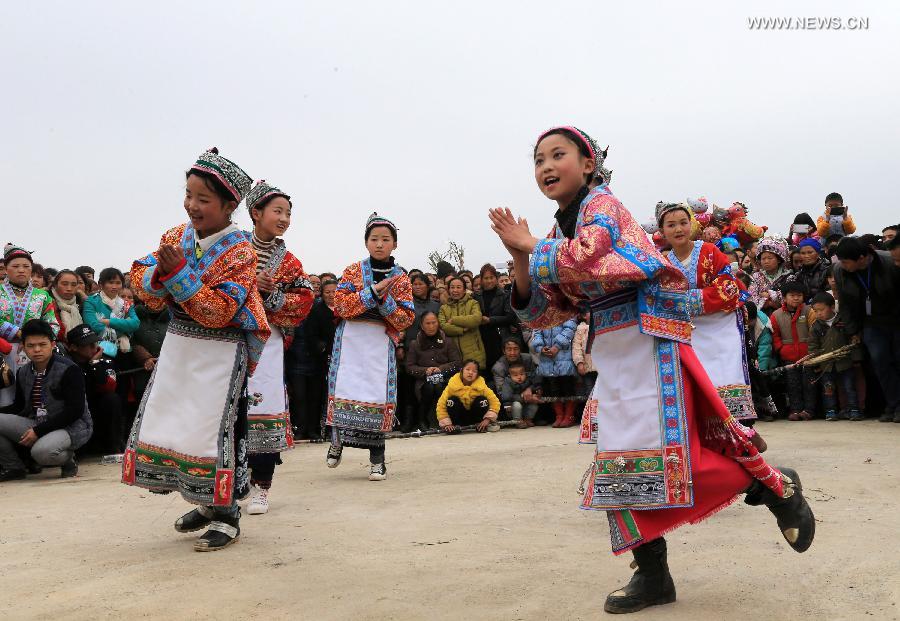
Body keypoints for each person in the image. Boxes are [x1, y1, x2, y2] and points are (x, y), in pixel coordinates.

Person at [490, 125, 813, 614]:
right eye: (538, 160)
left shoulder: (603, 207)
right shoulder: (558, 230)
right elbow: (545, 311)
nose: (546, 166)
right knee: (618, 465)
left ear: (589, 163)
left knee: (671, 457)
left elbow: (590, 260)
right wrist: (520, 257)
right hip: (614, 350)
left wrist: (532, 245)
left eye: (558, 155)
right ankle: (654, 574)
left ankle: (772, 485)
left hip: (648, 342)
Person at [124, 147, 270, 552]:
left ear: (228, 206)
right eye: (188, 195)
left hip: (222, 351)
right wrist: (160, 274)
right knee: (182, 424)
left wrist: (179, 276)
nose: (191, 205)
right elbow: (144, 288)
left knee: (215, 429)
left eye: (203, 199)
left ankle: (228, 513)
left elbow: (219, 311)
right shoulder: (175, 237)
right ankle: (206, 502)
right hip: (181, 345)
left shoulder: (240, 252)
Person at [242, 180, 315, 515]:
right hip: (227, 342)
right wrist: (248, 285)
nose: (285, 218)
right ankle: (230, 481)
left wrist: (270, 296)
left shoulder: (290, 263)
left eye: (288, 213)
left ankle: (262, 485)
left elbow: (303, 302)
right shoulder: (232, 250)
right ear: (256, 213)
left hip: (267, 345)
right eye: (278, 211)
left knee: (264, 408)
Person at [324, 213, 414, 481]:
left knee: (377, 398)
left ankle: (378, 460)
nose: (379, 244)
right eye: (374, 239)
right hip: (351, 340)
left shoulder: (401, 278)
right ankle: (337, 441)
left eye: (386, 239)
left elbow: (406, 317)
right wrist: (372, 293)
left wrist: (385, 303)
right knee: (344, 391)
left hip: (378, 342)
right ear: (366, 242)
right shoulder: (353, 271)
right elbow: (340, 305)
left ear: (394, 244)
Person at [659, 202, 759, 425]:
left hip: (720, 324)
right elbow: (660, 298)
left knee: (727, 371)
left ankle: (740, 429)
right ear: (662, 230)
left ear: (692, 225)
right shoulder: (664, 264)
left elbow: (727, 287)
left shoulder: (709, 251)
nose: (678, 229)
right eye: (671, 225)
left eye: (683, 223)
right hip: (688, 331)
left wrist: (685, 300)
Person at [0, 320, 92, 481]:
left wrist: (38, 431)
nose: (37, 350)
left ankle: (68, 459)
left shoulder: (69, 369)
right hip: (38, 422)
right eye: (31, 345)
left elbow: (75, 410)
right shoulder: (23, 372)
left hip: (71, 426)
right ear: (23, 346)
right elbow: (19, 407)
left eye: (42, 344)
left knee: (41, 453)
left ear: (52, 344)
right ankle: (13, 467)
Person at [833, 236, 900, 423]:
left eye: (846, 262)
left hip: (896, 320)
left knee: (898, 360)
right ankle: (893, 404)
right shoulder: (840, 271)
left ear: (862, 257)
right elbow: (845, 304)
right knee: (880, 363)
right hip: (871, 323)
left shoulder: (889, 262)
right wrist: (852, 330)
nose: (843, 265)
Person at [0, 244, 60, 408]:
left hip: (33, 351)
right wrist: (18, 332)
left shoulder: (42, 295)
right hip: (2, 350)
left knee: (32, 398)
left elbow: (53, 323)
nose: (21, 270)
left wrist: (39, 340)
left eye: (26, 266)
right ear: (6, 268)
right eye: (16, 266)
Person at [287, 278, 336, 440]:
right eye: (327, 292)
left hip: (317, 361)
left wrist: (323, 349)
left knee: (316, 397)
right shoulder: (291, 308)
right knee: (300, 397)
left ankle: (314, 429)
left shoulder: (317, 308)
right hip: (297, 359)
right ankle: (301, 429)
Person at [65, 324, 123, 453]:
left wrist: (93, 364)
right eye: (87, 343)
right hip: (75, 414)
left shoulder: (104, 361)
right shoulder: (65, 364)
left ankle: (113, 447)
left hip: (97, 413)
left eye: (94, 342)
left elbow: (109, 387)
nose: (94, 347)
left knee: (111, 399)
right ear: (73, 347)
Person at [396, 273, 440, 432]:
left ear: (427, 286)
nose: (417, 287)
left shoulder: (436, 305)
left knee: (426, 386)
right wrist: (400, 346)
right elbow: (400, 326)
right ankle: (408, 421)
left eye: (421, 284)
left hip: (430, 351)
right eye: (414, 284)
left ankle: (425, 420)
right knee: (408, 387)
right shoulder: (406, 304)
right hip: (409, 349)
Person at [808, 292, 862, 421]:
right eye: (816, 311)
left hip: (845, 362)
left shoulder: (843, 321)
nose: (819, 313)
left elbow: (853, 341)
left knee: (849, 387)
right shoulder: (816, 326)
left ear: (832, 307)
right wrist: (815, 363)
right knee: (828, 389)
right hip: (826, 364)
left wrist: (856, 359)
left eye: (821, 310)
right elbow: (813, 346)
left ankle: (854, 409)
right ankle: (830, 411)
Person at [405, 311, 462, 430]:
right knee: (430, 386)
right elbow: (409, 367)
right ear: (421, 325)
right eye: (427, 323)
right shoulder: (415, 344)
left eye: (433, 323)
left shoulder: (447, 341)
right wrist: (426, 370)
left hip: (446, 378)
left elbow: (457, 363)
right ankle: (422, 419)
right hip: (424, 381)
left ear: (438, 323)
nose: (431, 326)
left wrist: (440, 369)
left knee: (439, 385)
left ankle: (446, 419)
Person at [771, 281, 817, 421]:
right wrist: (781, 349)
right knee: (792, 384)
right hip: (788, 356)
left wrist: (812, 350)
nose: (796, 298)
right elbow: (774, 335)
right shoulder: (776, 314)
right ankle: (795, 410)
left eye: (799, 295)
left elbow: (814, 331)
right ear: (784, 297)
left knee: (809, 384)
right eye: (792, 295)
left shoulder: (809, 311)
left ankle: (809, 410)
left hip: (808, 355)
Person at [82, 267, 140, 360]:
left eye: (118, 283)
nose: (114, 286)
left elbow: (135, 324)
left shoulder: (126, 304)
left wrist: (109, 322)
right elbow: (93, 326)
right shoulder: (91, 301)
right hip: (100, 350)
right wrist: (124, 330)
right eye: (110, 282)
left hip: (125, 351)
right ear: (101, 284)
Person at [530, 319, 578, 428]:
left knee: (568, 387)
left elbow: (570, 328)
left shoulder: (565, 310)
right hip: (547, 358)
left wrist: (557, 346)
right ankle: (559, 415)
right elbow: (536, 331)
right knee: (553, 389)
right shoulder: (542, 313)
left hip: (563, 356)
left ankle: (569, 415)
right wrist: (541, 347)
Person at [436, 360, 501, 432]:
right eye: (467, 369)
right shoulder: (452, 386)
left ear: (477, 374)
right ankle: (454, 427)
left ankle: (480, 426)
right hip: (458, 419)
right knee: (452, 400)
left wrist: (488, 419)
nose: (470, 373)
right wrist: (447, 424)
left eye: (474, 371)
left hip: (476, 418)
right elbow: (441, 405)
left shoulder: (481, 386)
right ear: (461, 370)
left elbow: (495, 402)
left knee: (482, 400)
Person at [474, 263, 516, 371]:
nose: (489, 281)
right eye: (486, 278)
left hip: (499, 337)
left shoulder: (505, 295)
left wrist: (490, 320)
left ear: (496, 278)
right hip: (481, 337)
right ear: (481, 279)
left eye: (491, 277)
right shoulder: (475, 296)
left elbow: (510, 317)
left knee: (501, 369)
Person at [439, 277, 487, 370]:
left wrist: (454, 320)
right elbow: (444, 327)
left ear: (465, 290)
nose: (455, 290)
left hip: (474, 353)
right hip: (452, 355)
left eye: (458, 287)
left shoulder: (473, 303)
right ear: (448, 290)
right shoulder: (443, 308)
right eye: (452, 287)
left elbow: (476, 319)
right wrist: (462, 329)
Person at [745, 302, 780, 421]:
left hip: (765, 361)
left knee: (762, 383)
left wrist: (762, 368)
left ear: (754, 319)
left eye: (750, 321)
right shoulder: (739, 325)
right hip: (747, 362)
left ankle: (767, 410)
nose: (748, 324)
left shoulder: (763, 326)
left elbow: (764, 349)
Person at [748, 236, 793, 314]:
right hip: (761, 317)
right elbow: (751, 297)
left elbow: (791, 297)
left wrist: (770, 295)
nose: (766, 261)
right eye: (763, 259)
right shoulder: (756, 276)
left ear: (779, 259)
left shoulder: (789, 277)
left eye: (770, 258)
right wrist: (767, 302)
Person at [500, 360, 540, 428]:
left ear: (525, 373)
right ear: (510, 376)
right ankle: (518, 421)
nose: (519, 377)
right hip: (513, 407)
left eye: (522, 374)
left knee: (534, 405)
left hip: (526, 405)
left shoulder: (528, 379)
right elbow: (506, 394)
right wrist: (507, 405)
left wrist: (536, 391)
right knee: (517, 405)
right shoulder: (508, 382)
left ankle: (528, 420)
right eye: (515, 375)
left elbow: (535, 385)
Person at [49, 269, 86, 343]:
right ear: (55, 285)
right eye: (64, 284)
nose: (69, 289)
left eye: (73, 285)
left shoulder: (83, 304)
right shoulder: (46, 302)